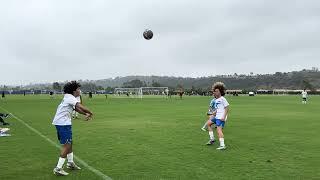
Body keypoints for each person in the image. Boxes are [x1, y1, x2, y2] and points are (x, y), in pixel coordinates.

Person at [52, 81, 93, 176]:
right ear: (74, 91)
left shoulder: (69, 97)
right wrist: (90, 112)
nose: (80, 90)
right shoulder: (70, 98)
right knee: (66, 145)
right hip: (63, 124)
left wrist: (85, 113)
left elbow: (76, 109)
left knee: (69, 143)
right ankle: (58, 168)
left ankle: (70, 163)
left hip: (62, 123)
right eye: (78, 89)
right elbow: (79, 106)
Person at [206, 82, 229, 150]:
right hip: (217, 116)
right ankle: (212, 139)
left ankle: (222, 145)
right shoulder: (216, 100)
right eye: (214, 91)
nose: (215, 92)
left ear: (220, 92)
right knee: (208, 124)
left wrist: (223, 117)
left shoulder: (222, 99)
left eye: (216, 91)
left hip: (221, 117)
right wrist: (211, 113)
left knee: (219, 130)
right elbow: (218, 109)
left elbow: (227, 108)